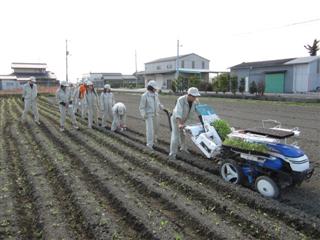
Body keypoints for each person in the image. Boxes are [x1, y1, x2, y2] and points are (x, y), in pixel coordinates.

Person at [168, 87, 201, 160]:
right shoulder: (181, 99)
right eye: (194, 96)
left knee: (183, 134)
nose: (195, 98)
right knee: (175, 136)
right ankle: (172, 154)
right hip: (176, 119)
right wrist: (180, 123)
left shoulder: (196, 101)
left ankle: (183, 148)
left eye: (196, 96)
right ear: (189, 95)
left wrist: (203, 122)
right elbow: (178, 112)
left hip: (185, 120)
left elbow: (199, 112)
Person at [139, 80, 164, 150]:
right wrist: (144, 115)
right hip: (149, 115)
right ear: (150, 88)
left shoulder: (156, 94)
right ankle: (149, 145)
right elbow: (141, 107)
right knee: (150, 130)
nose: (155, 89)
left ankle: (154, 139)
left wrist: (161, 106)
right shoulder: (144, 96)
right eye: (154, 88)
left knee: (156, 128)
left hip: (156, 114)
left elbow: (158, 102)